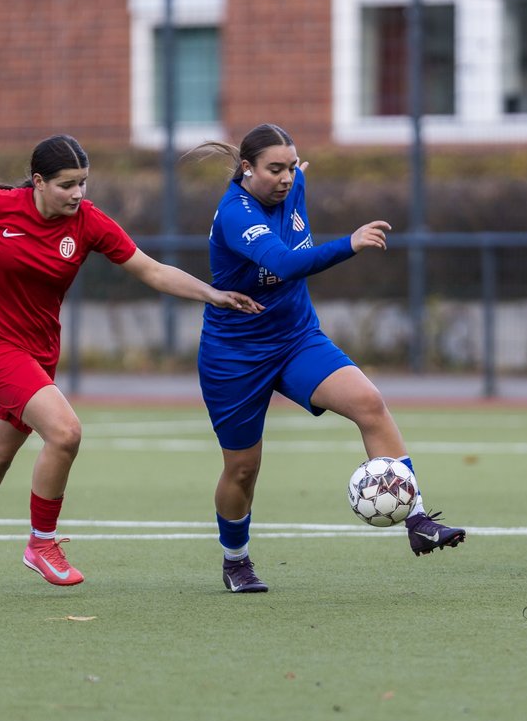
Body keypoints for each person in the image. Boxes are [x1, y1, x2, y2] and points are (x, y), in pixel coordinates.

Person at [0, 134, 263, 593]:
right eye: (67, 185)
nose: (78, 194)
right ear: (38, 182)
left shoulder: (88, 223)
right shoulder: (0, 207)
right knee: (65, 432)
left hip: (39, 355)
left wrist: (212, 294)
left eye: (84, 183)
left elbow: (151, 269)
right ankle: (42, 543)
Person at [188, 123, 466, 593]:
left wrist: (294, 176)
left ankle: (417, 520)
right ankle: (235, 560)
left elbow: (290, 211)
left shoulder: (292, 185)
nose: (286, 178)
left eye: (292, 167)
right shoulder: (236, 214)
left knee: (370, 404)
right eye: (274, 169)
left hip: (296, 338)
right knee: (242, 467)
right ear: (246, 169)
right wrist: (349, 244)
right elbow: (286, 263)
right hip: (234, 355)